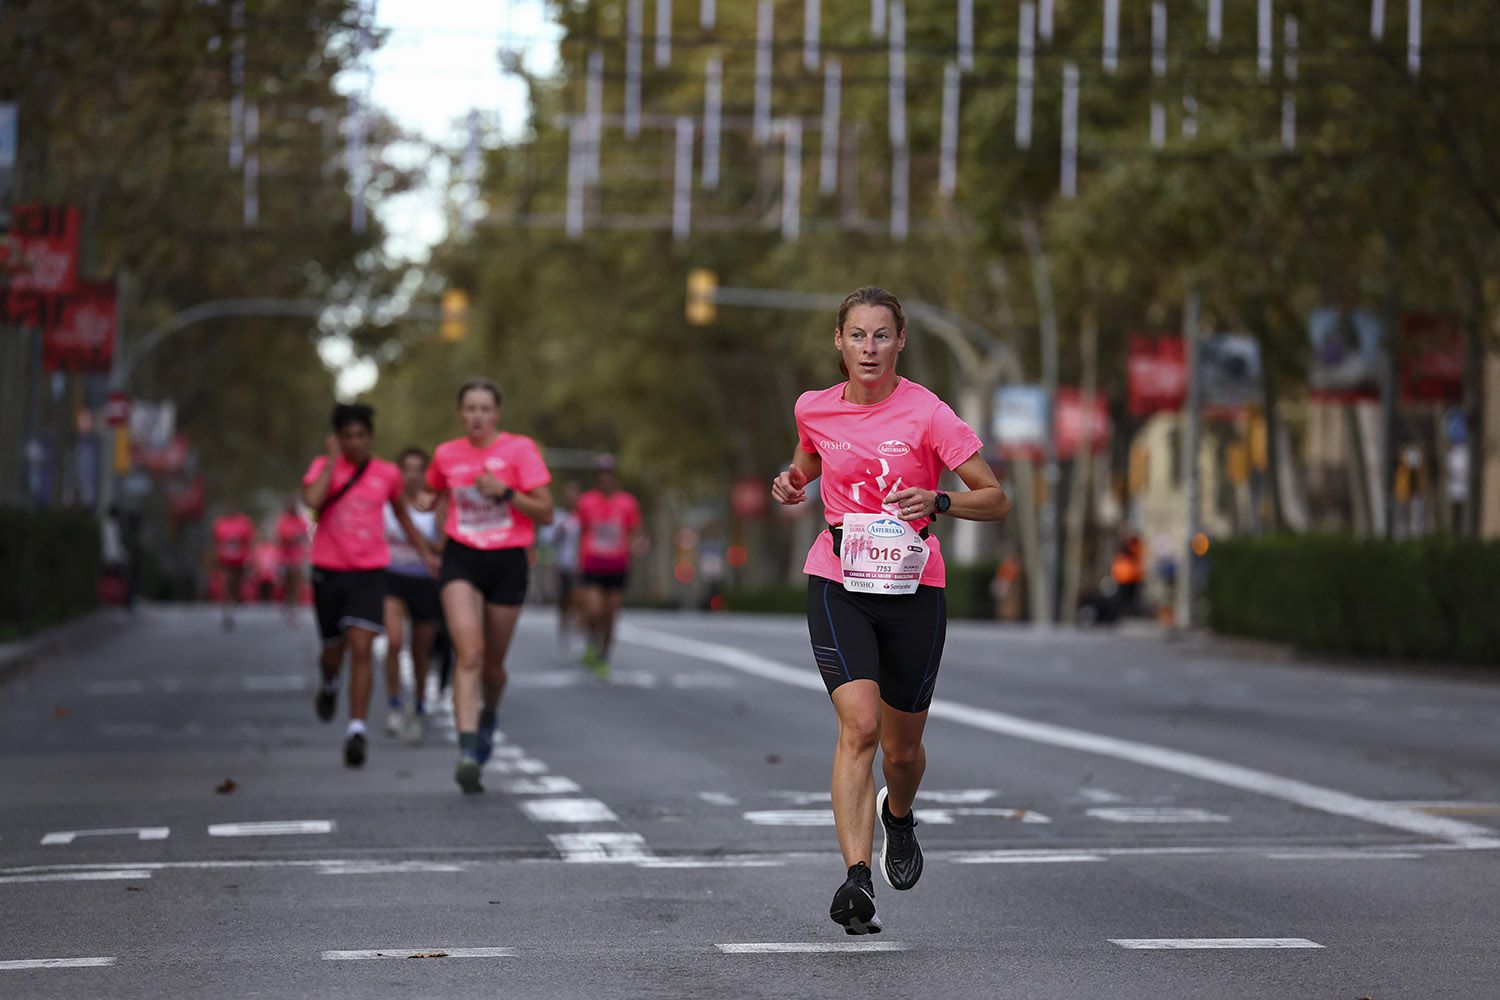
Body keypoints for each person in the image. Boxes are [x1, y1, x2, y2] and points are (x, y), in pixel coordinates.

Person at [770, 286, 1010, 935]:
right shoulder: (813, 408)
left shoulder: (930, 414)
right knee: (861, 727)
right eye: (857, 336)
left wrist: (939, 500)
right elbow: (806, 459)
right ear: (839, 342)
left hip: (912, 587)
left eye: (882, 336)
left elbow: (995, 497)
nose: (869, 348)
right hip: (838, 577)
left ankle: (897, 818)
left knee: (903, 754)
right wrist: (794, 482)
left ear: (901, 342)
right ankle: (856, 880)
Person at [416, 379, 554, 794]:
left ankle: (489, 711)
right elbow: (431, 491)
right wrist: (425, 502)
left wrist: (506, 492)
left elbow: (545, 511)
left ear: (497, 414)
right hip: (461, 556)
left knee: (493, 667)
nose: (477, 416)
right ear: (460, 413)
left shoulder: (520, 450)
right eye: (470, 408)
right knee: (469, 652)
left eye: (485, 409)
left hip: (508, 560)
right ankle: (468, 752)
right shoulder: (446, 454)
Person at [301, 403, 437, 769]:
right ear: (338, 438)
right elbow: (312, 502)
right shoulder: (322, 468)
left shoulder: (386, 474)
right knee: (334, 651)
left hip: (370, 572)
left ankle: (356, 729)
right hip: (329, 571)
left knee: (362, 646)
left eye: (361, 436)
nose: (355, 443)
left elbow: (403, 517)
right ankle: (329, 685)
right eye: (348, 437)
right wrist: (331, 460)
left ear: (370, 437)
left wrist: (426, 553)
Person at [382, 447, 445, 744]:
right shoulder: (385, 505)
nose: (411, 475)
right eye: (406, 468)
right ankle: (394, 704)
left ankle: (419, 703)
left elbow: (443, 544)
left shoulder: (434, 506)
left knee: (421, 652)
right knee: (394, 642)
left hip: (425, 581)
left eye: (418, 469)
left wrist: (423, 543)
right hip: (392, 578)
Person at [574, 457, 643, 676]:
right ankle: (592, 642)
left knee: (611, 615)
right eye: (602, 473)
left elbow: (635, 531)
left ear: (615, 476)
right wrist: (577, 560)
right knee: (594, 610)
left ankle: (604, 656)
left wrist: (638, 544)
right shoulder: (586, 502)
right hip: (592, 563)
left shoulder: (627, 503)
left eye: (610, 473)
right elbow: (579, 531)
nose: (606, 477)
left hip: (618, 565)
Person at [545, 481, 584, 652]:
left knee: (579, 600)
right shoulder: (559, 516)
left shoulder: (585, 516)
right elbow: (547, 540)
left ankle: (578, 631)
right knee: (565, 600)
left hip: (583, 565)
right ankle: (564, 626)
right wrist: (560, 530)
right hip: (564, 564)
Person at [211, 507, 256, 631]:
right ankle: (227, 612)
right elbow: (216, 541)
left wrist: (250, 558)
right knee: (226, 583)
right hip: (225, 560)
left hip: (239, 560)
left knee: (236, 584)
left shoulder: (243, 522)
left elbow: (248, 541)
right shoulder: (220, 523)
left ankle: (234, 604)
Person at [275, 501, 310, 618]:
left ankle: (295, 606)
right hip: (285, 558)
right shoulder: (284, 521)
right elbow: (284, 537)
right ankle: (287, 604)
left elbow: (305, 536)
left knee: (296, 582)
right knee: (287, 583)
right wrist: (293, 538)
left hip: (297, 557)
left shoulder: (301, 521)